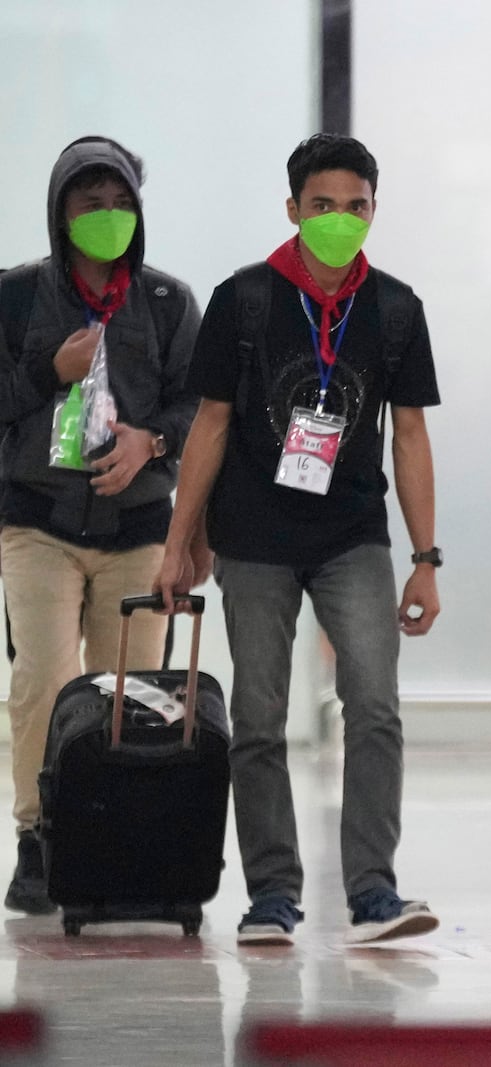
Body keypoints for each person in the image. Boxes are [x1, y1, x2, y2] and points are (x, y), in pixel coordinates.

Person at [154, 133, 443, 947]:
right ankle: (272, 894)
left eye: (356, 207)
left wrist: (425, 559)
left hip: (353, 535)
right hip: (254, 537)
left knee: (375, 706)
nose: (340, 220)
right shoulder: (244, 300)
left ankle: (374, 890)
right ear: (293, 209)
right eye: (323, 206)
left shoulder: (394, 308)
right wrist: (180, 541)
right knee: (258, 714)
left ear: (374, 212)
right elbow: (210, 425)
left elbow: (410, 436)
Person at [0, 136, 201, 915]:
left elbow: (197, 407)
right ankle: (39, 840)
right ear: (61, 213)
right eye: (92, 205)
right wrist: (47, 373)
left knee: (133, 696)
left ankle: (120, 843)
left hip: (140, 526)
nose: (108, 218)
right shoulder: (17, 298)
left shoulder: (167, 303)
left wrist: (153, 441)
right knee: (43, 685)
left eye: (121, 205)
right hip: (37, 523)